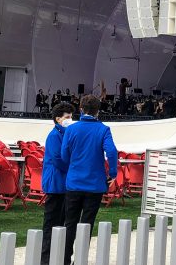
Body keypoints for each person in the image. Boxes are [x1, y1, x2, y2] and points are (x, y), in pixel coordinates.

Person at [61, 94, 118, 265]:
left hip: (74, 182)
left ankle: (65, 259)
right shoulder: (103, 129)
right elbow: (112, 152)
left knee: (70, 222)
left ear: (80, 109)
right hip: (94, 184)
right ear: (98, 111)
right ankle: (80, 259)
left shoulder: (71, 129)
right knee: (87, 223)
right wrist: (113, 173)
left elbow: (64, 155)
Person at [41, 102, 74, 265]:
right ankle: (45, 260)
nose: (70, 120)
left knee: (62, 224)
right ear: (58, 119)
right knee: (51, 224)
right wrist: (74, 168)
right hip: (55, 184)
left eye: (71, 117)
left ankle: (60, 258)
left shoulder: (67, 134)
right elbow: (58, 160)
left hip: (65, 184)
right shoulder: (54, 136)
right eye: (67, 117)